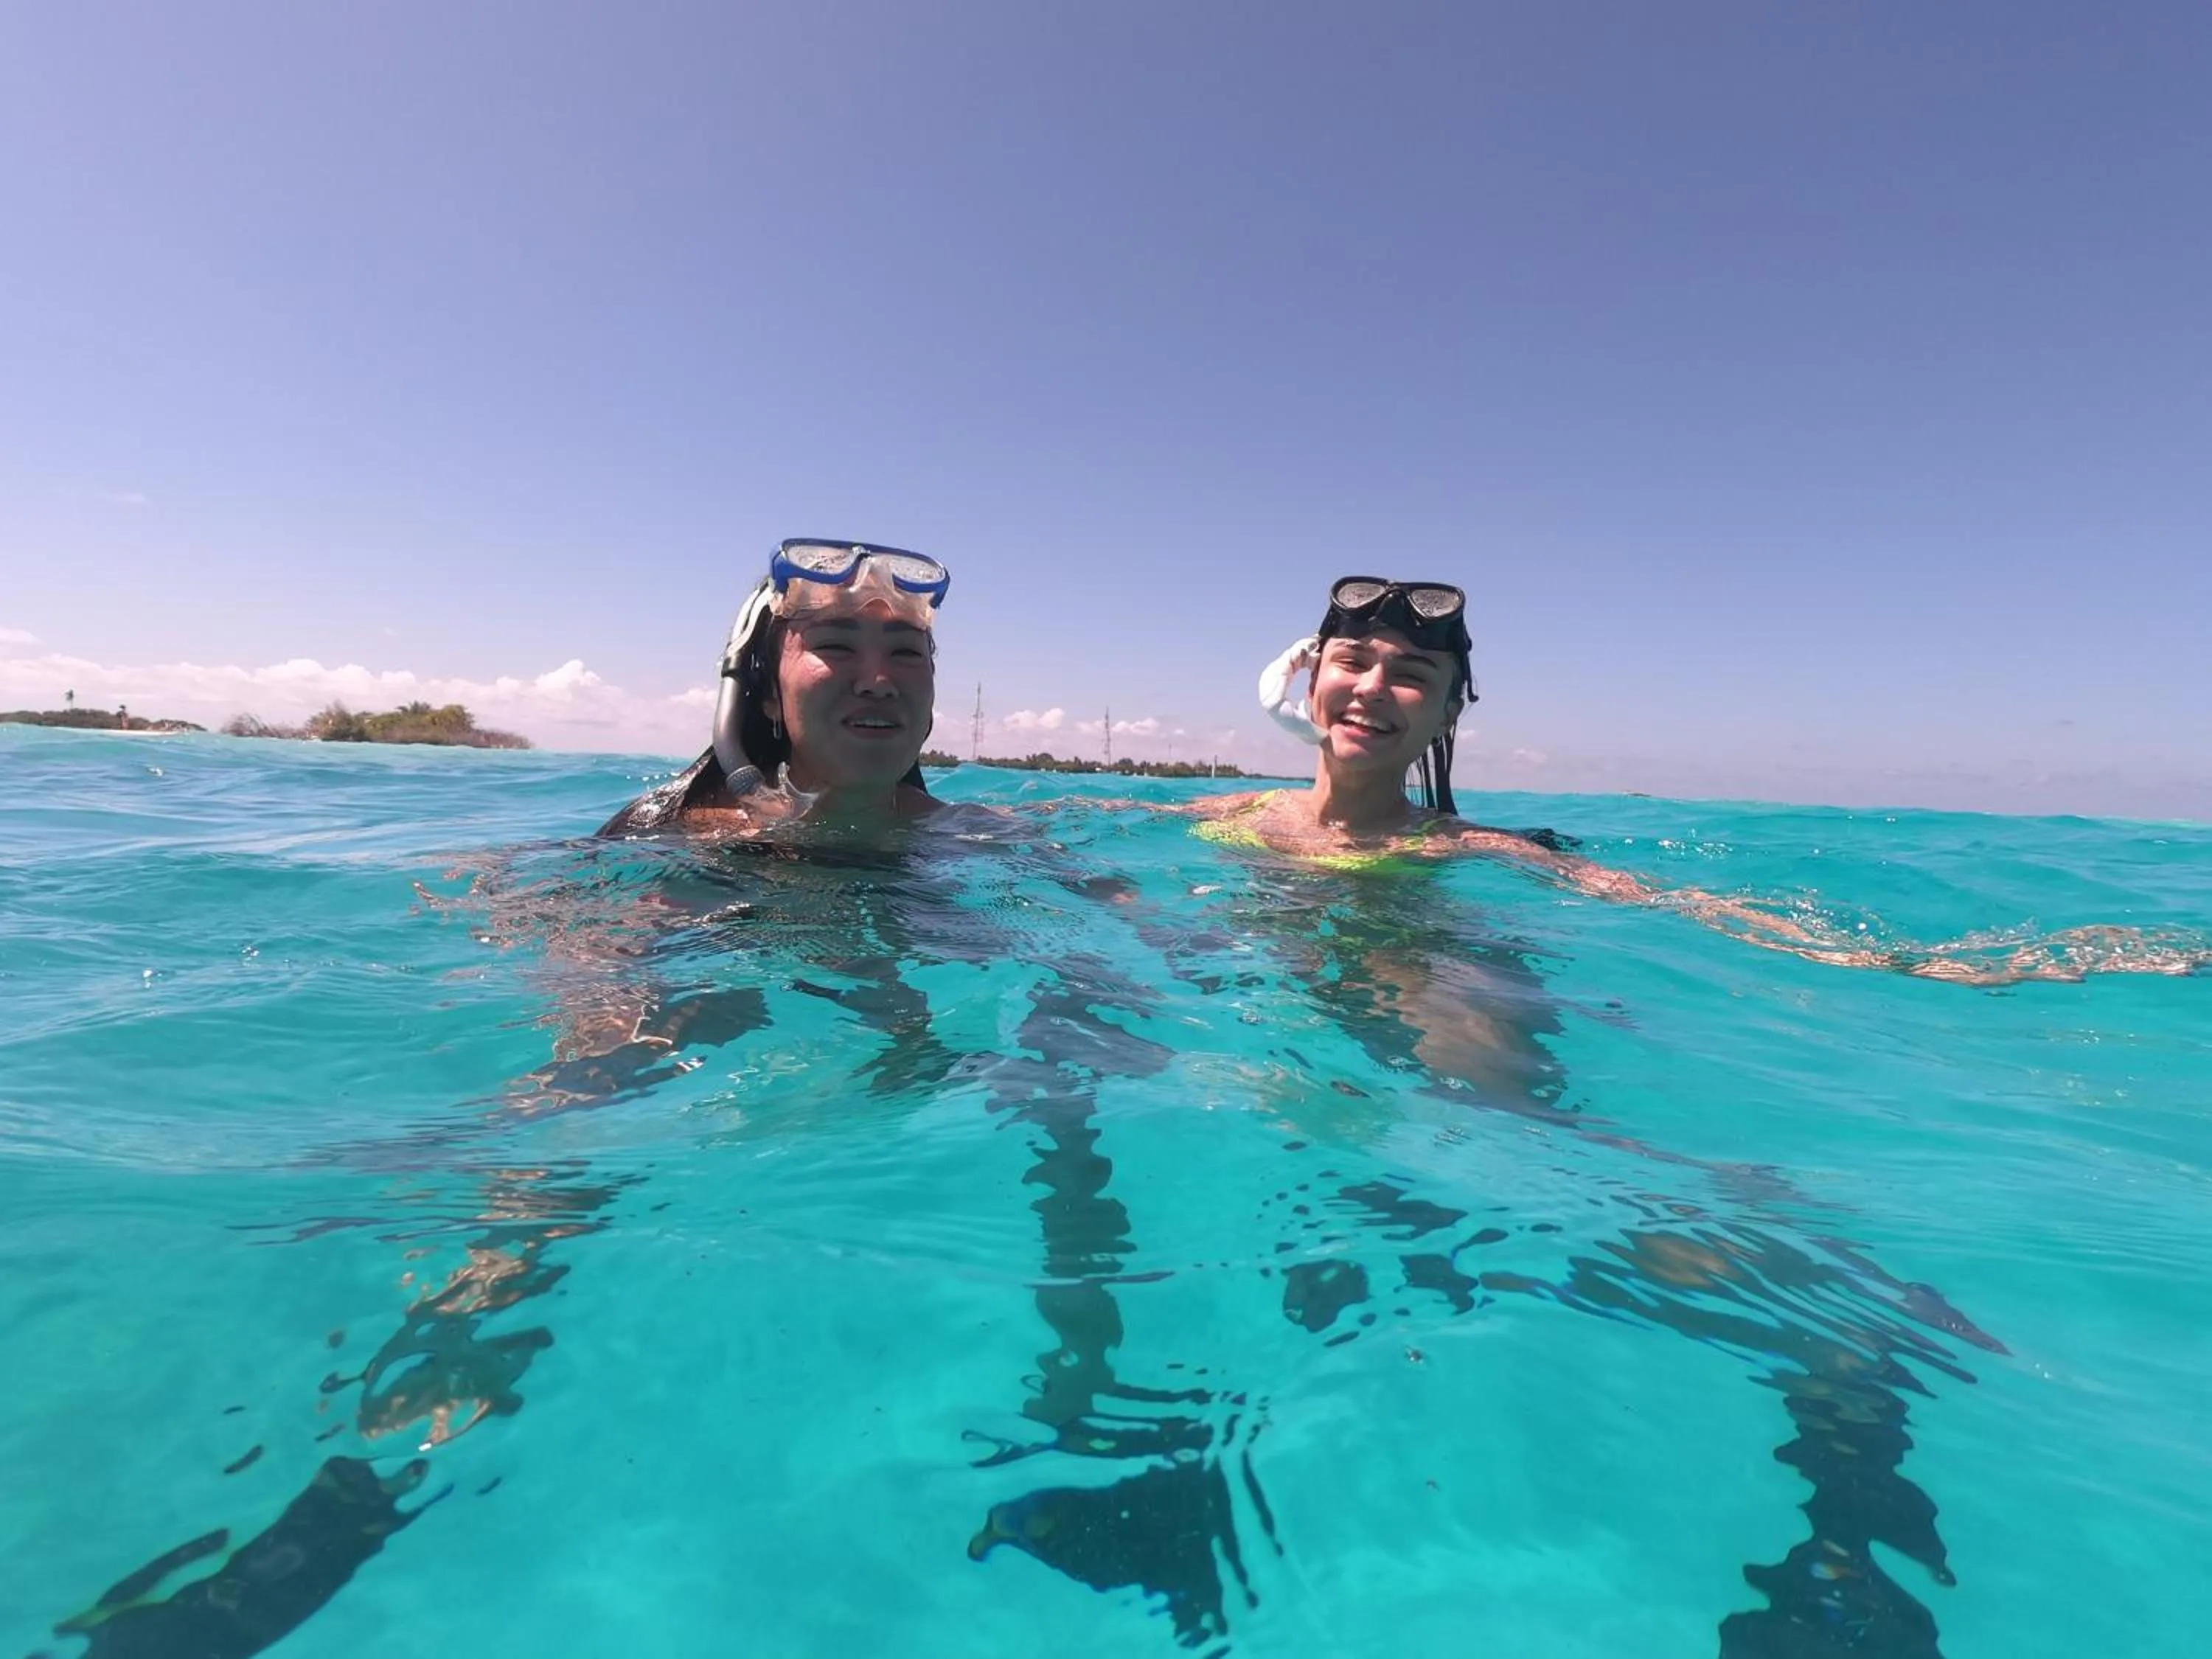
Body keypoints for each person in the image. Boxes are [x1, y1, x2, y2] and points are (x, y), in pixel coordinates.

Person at [1189, 575, 2208, 984]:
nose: (1373, 688)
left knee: (1502, 1109)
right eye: (1353, 661)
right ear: (1311, 679)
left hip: (1436, 972)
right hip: (1281, 990)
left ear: (1451, 712)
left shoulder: (1478, 852)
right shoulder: (1231, 815)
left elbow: (1689, 909)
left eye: (1411, 675)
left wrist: (1936, 965)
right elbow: (1052, 830)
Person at [599, 537, 952, 838]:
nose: (878, 682)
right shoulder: (675, 842)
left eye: (905, 652)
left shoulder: (970, 834)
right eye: (836, 647)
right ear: (769, 691)